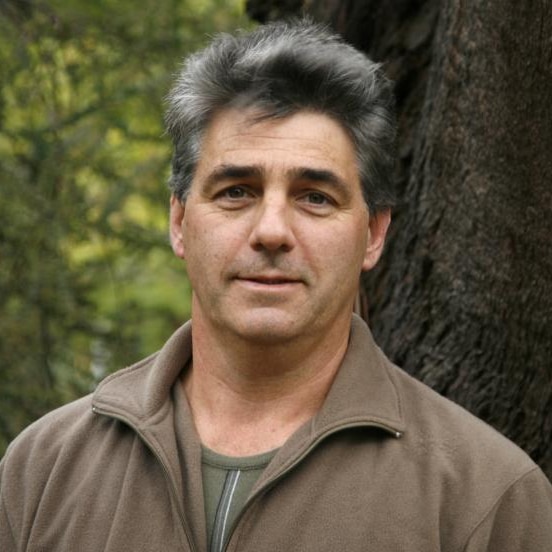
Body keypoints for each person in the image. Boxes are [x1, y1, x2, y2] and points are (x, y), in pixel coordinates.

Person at [1, 19, 551, 552]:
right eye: (236, 191)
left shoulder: (489, 501)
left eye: (315, 197)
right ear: (179, 222)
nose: (270, 231)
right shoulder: (41, 472)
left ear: (373, 234)